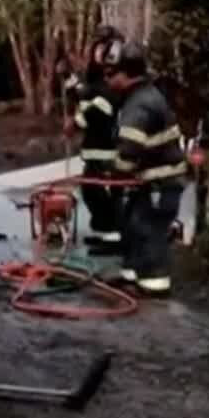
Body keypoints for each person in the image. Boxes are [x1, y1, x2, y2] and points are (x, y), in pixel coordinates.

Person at [101, 39, 187, 298]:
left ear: (125, 74)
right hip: (151, 182)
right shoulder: (141, 95)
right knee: (133, 225)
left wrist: (113, 173)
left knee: (149, 232)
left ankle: (154, 284)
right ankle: (132, 274)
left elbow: (128, 150)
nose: (107, 79)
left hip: (160, 183)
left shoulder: (139, 104)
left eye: (110, 73)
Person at [65, 26, 125, 249]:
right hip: (95, 150)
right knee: (91, 191)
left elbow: (101, 109)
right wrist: (71, 84)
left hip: (106, 151)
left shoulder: (110, 82)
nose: (95, 50)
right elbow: (85, 98)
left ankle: (113, 236)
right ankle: (103, 230)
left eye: (100, 45)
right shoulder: (96, 81)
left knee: (101, 194)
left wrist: (76, 123)